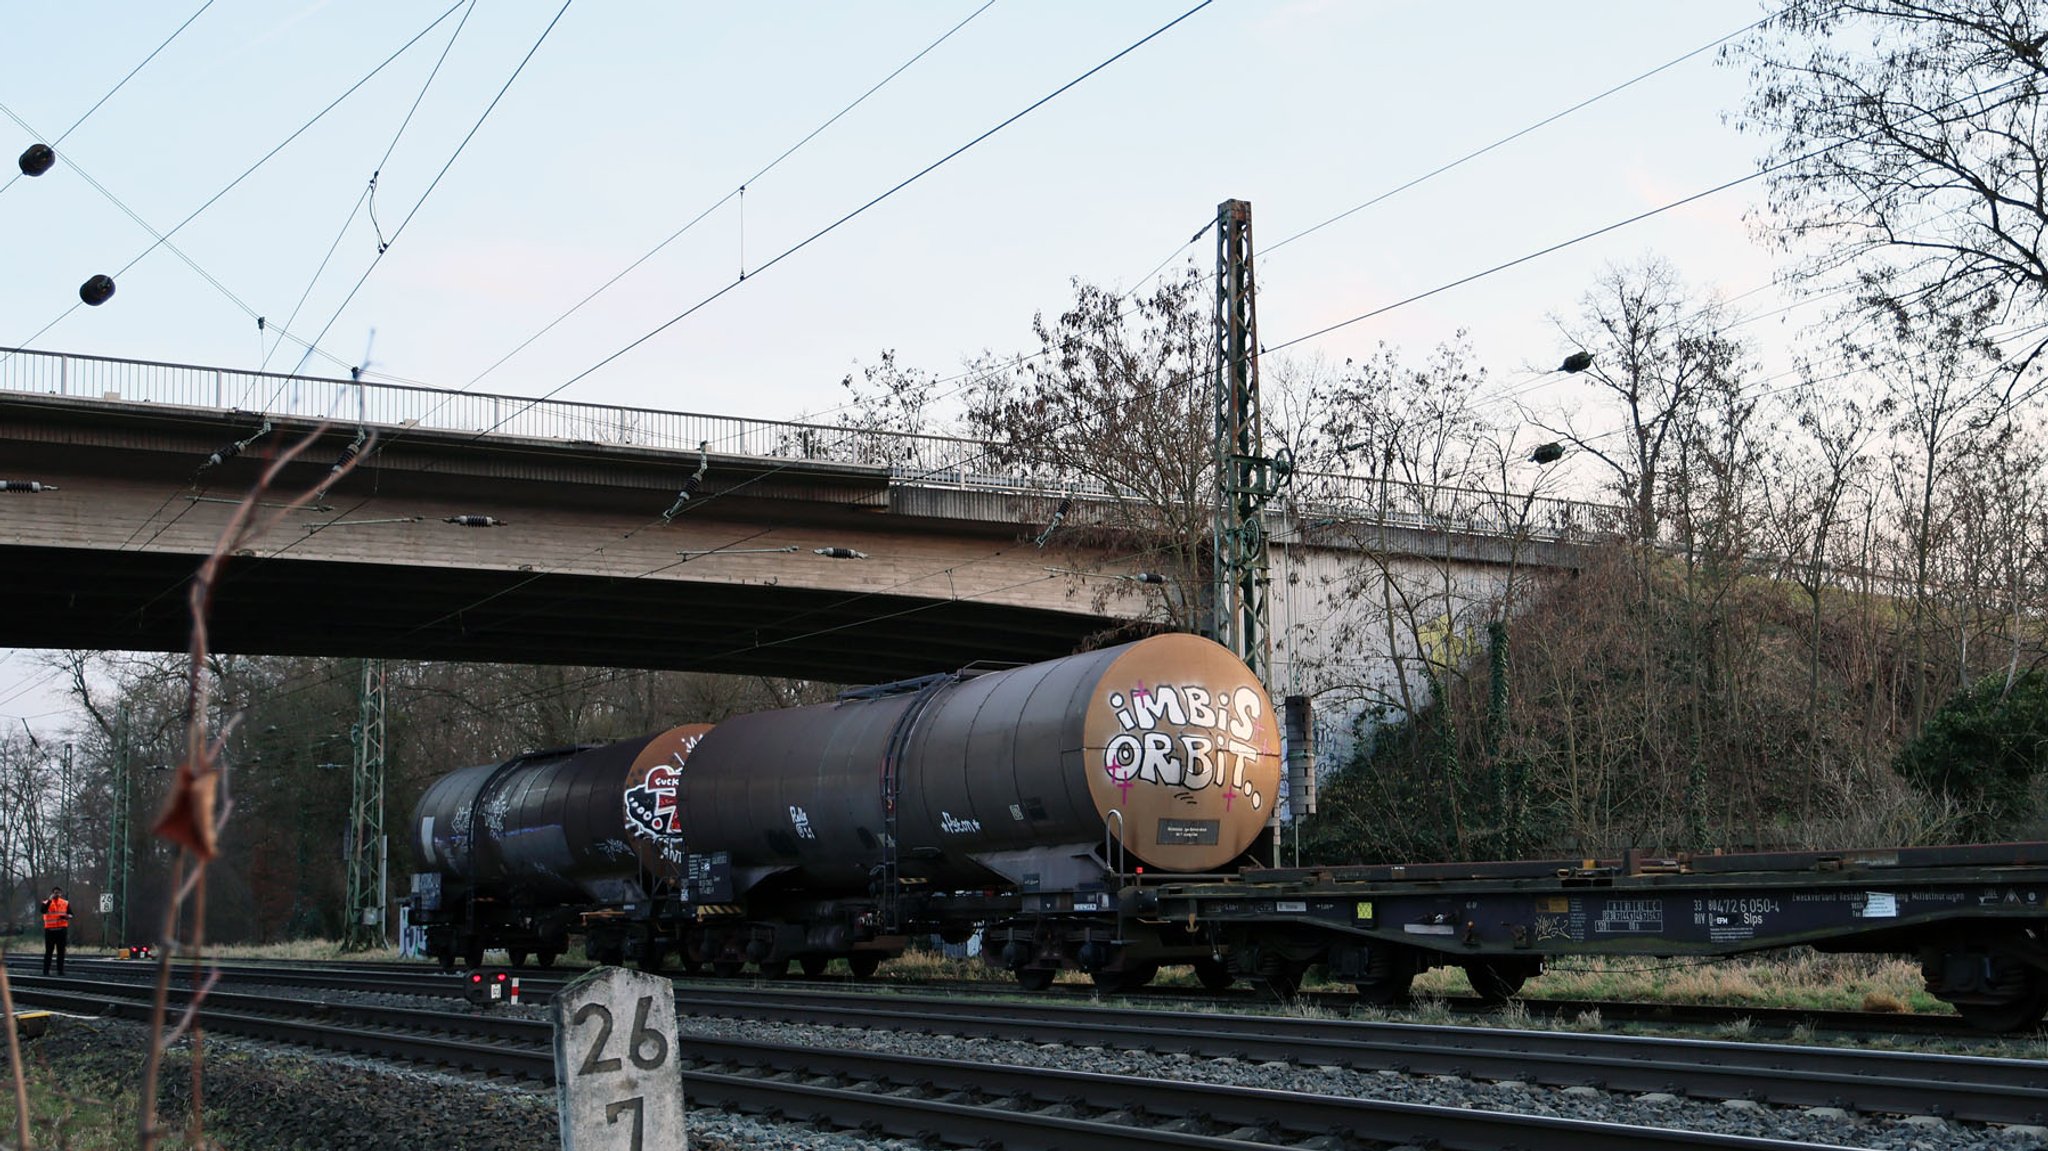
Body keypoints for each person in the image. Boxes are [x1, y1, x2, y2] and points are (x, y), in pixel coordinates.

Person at [40, 886, 70, 975]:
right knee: (49, 952)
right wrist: (49, 900)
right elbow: (43, 910)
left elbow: (71, 914)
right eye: (55, 893)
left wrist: (67, 916)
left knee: (61, 952)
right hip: (50, 931)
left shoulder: (65, 903)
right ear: (52, 893)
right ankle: (46, 971)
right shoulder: (46, 902)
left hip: (61, 930)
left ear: (61, 893)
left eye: (58, 893)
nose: (57, 894)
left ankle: (60, 971)